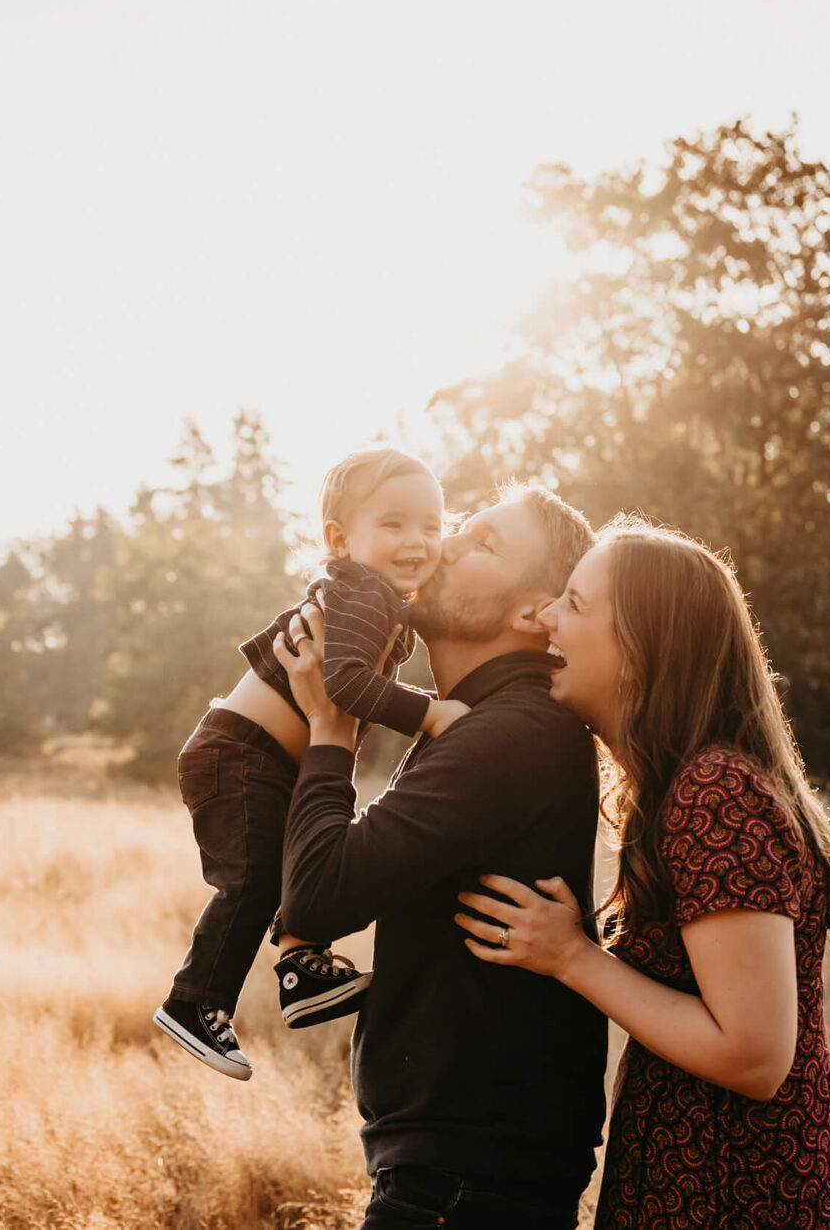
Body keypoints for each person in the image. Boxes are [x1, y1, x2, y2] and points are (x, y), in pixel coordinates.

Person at [454, 516, 830, 1227]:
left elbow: (754, 1055)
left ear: (641, 654)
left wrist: (570, 956)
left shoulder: (713, 791)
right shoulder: (679, 787)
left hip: (746, 1203)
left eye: (577, 604)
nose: (550, 616)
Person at [272, 484, 608, 1229]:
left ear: (533, 612)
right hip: (460, 1179)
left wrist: (332, 726)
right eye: (458, 526)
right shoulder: (484, 723)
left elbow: (317, 897)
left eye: (481, 543)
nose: (442, 543)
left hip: (465, 1189)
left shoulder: (514, 734)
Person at [154, 447, 472, 1080]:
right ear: (339, 538)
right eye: (394, 525)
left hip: (268, 760)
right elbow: (346, 682)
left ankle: (301, 967)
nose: (418, 541)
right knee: (249, 881)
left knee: (293, 863)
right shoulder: (362, 594)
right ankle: (194, 1003)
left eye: (432, 527)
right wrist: (431, 714)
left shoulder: (378, 596)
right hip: (239, 756)